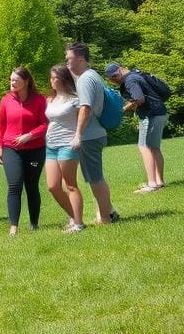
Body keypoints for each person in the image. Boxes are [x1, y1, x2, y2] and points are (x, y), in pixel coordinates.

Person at [65, 43, 119, 224]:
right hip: (96, 133)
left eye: (69, 58)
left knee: (95, 178)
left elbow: (85, 108)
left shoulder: (85, 79)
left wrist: (78, 135)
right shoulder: (92, 75)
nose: (66, 62)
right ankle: (107, 211)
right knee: (94, 176)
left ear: (80, 59)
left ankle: (106, 218)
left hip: (90, 135)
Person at [0, 67, 48, 237]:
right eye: (11, 79)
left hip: (35, 150)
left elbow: (45, 124)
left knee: (31, 186)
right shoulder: (6, 100)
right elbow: (1, 126)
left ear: (26, 81)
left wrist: (30, 136)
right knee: (14, 185)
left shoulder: (40, 100)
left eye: (16, 80)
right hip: (11, 149)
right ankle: (13, 227)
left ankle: (34, 224)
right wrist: (0, 147)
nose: (12, 82)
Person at [105, 63, 167, 193]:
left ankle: (151, 184)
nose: (114, 81)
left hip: (150, 114)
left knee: (144, 146)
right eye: (111, 79)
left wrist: (122, 109)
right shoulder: (136, 74)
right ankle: (159, 181)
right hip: (159, 112)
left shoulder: (130, 80)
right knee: (154, 148)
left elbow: (139, 98)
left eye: (114, 77)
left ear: (119, 71)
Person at [45, 64, 85, 232]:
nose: (52, 81)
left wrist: (78, 135)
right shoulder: (50, 99)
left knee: (70, 185)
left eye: (55, 78)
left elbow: (85, 116)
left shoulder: (75, 99)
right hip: (51, 145)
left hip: (68, 144)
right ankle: (73, 216)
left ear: (63, 79)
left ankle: (78, 223)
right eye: (51, 77)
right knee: (52, 186)